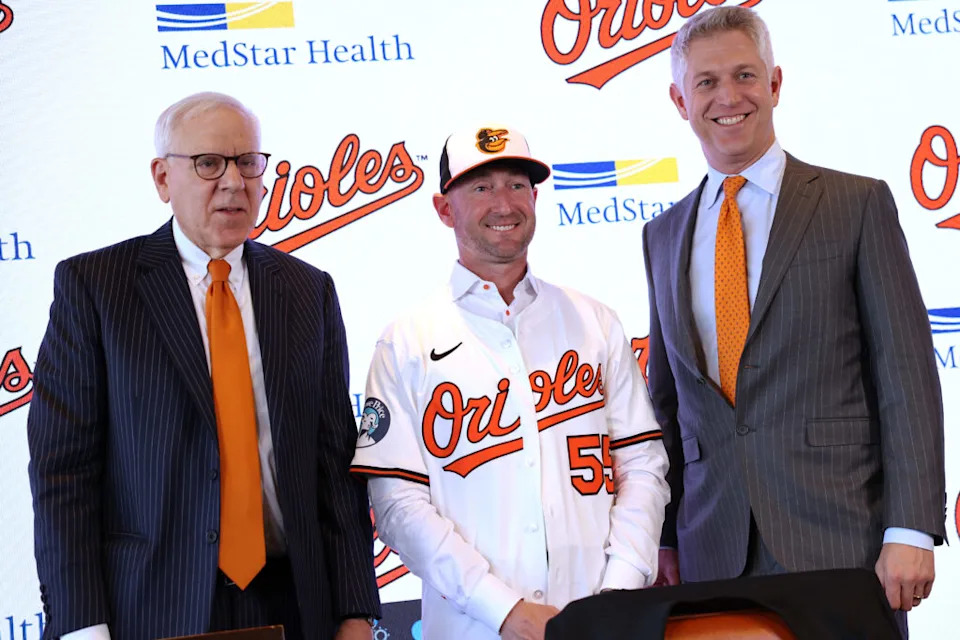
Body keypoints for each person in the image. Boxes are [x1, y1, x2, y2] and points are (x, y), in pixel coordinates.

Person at [27, 92, 380, 640]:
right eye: (209, 163)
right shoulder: (96, 289)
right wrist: (82, 627)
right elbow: (64, 477)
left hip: (293, 600)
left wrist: (356, 609)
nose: (234, 182)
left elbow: (334, 464)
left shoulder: (308, 290)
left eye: (248, 163)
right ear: (163, 179)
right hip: (151, 608)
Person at [643, 4, 945, 625]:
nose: (729, 96)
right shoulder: (662, 235)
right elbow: (668, 403)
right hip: (712, 548)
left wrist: (911, 527)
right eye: (707, 82)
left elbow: (907, 374)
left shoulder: (855, 203)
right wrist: (666, 535)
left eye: (745, 76)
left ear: (775, 84)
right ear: (680, 100)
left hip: (841, 539)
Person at [349, 126, 670, 640]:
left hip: (601, 625)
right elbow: (397, 504)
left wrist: (620, 593)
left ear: (536, 198)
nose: (504, 202)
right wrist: (503, 609)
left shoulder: (595, 322)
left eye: (517, 185)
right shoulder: (405, 342)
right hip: (472, 629)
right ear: (443, 208)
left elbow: (642, 466)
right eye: (481, 187)